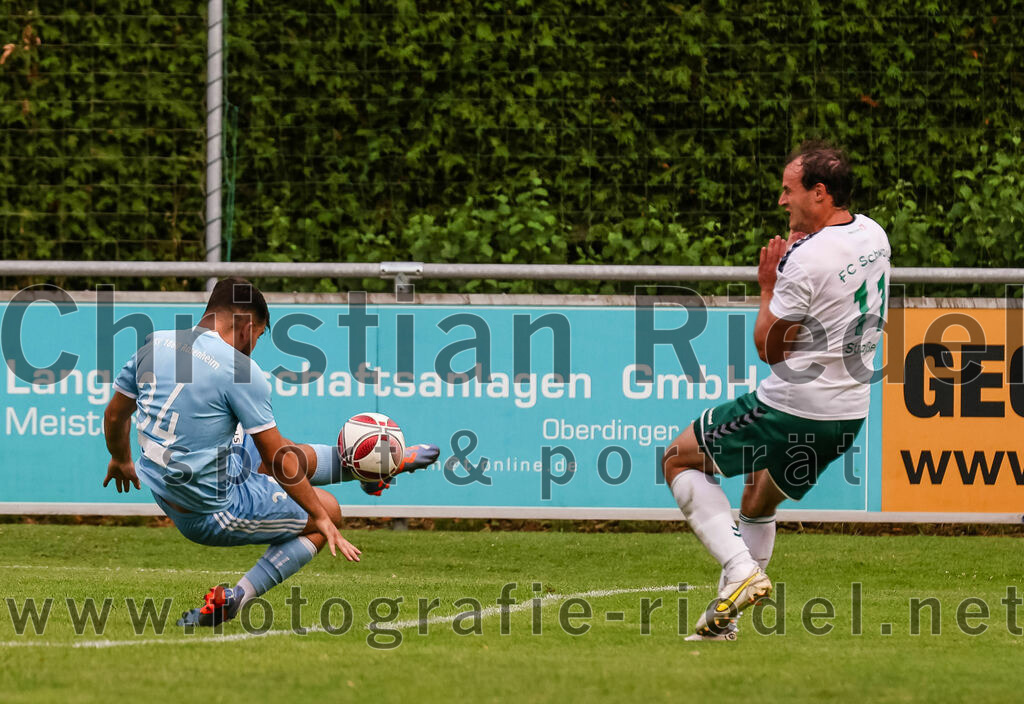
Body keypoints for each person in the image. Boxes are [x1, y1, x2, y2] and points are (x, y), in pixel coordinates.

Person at [102, 277, 439, 627]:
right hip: (210, 510)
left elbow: (114, 415)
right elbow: (279, 462)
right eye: (259, 336)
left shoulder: (155, 343)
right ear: (247, 327)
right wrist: (321, 518)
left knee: (274, 449)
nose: (254, 346)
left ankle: (367, 468)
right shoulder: (239, 370)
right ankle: (238, 597)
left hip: (167, 488)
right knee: (327, 509)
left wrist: (121, 459)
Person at [662, 141, 891, 640]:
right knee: (757, 499)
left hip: (791, 409)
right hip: (847, 415)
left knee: (677, 460)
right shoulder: (874, 234)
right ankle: (722, 624)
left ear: (819, 192)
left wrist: (768, 283)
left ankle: (742, 570)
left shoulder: (806, 260)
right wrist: (799, 252)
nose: (782, 200)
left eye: (789, 190)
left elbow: (770, 347)